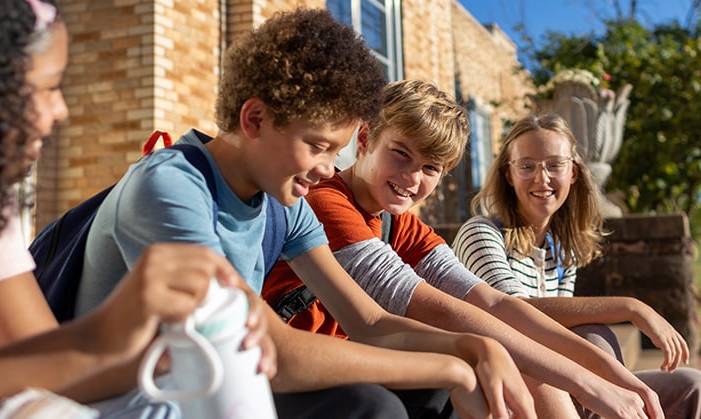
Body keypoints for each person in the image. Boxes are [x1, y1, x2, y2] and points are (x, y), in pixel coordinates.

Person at [76, 8, 537, 419]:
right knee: (370, 405)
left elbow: (370, 322)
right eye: (317, 146)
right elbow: (269, 350)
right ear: (254, 120)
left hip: (220, 387)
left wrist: (474, 347)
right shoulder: (172, 188)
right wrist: (454, 364)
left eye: (334, 151)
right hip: (149, 400)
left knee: (427, 387)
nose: (326, 168)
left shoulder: (285, 205)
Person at [0, 0, 276, 417]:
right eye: (47, 87)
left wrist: (180, 349)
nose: (61, 110)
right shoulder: (170, 179)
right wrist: (96, 338)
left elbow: (43, 370)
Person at [262, 79, 669, 419]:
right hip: (290, 371)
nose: (412, 177)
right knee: (470, 367)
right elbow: (432, 308)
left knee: (476, 369)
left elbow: (492, 302)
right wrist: (586, 382)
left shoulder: (398, 221)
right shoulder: (326, 202)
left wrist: (610, 375)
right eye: (401, 153)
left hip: (342, 364)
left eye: (430, 168)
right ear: (366, 138)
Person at [452, 113, 701, 418]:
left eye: (555, 165)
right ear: (509, 175)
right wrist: (632, 307)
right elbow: (514, 315)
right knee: (579, 341)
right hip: (505, 380)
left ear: (573, 173)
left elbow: (560, 329)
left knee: (692, 385)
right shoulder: (481, 233)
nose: (541, 178)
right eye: (527, 166)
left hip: (562, 378)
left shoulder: (562, 247)